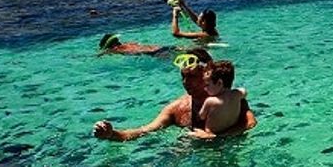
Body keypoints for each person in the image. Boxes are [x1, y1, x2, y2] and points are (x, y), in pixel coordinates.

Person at [93, 57, 256, 142]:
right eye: (183, 77)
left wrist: (218, 138)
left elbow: (250, 123)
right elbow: (144, 131)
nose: (186, 82)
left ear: (206, 75)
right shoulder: (177, 108)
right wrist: (112, 134)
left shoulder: (229, 98)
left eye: (192, 76)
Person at [196, 60, 247, 136]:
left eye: (207, 85)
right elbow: (244, 92)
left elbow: (201, 117)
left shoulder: (211, 101)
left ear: (219, 83)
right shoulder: (237, 94)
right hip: (231, 132)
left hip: (210, 136)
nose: (205, 89)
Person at [97, 34, 170, 57]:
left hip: (154, 53)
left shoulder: (116, 49)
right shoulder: (129, 43)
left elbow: (104, 52)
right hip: (160, 48)